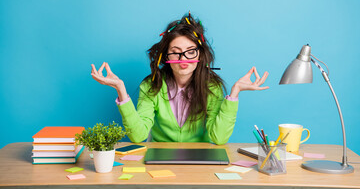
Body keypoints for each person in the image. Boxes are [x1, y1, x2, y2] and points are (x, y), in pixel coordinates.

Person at [91, 13, 269, 145]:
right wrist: (121, 90)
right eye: (176, 52)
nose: (183, 59)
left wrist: (235, 93)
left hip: (200, 161)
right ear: (165, 56)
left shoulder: (212, 87)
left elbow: (219, 138)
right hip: (160, 159)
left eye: (190, 52)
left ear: (200, 54)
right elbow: (138, 137)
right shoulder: (151, 85)